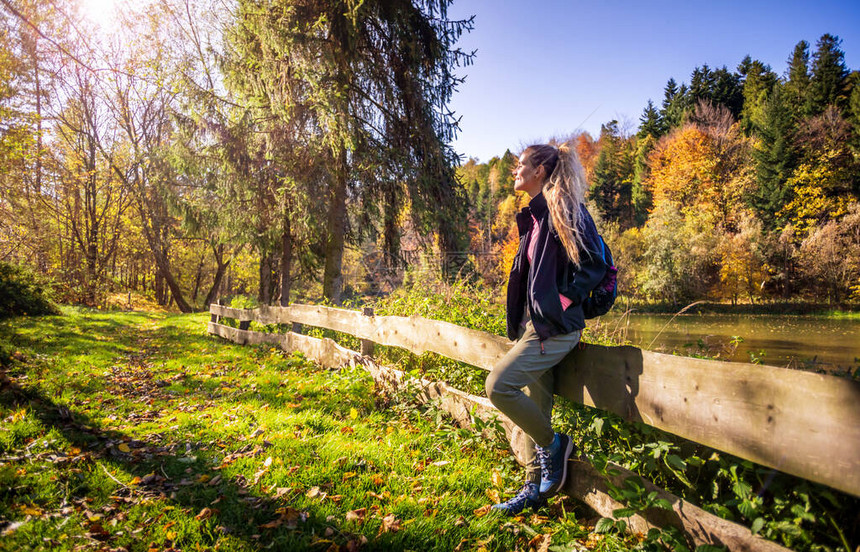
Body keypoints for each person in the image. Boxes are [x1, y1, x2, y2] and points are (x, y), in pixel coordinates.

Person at [486, 142, 607, 515]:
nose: (515, 170)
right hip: (535, 328)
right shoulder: (536, 216)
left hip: (555, 330)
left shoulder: (564, 209)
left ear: (540, 170)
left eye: (521, 164)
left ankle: (556, 446)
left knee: (498, 386)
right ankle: (535, 490)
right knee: (537, 408)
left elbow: (595, 264)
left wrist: (565, 302)